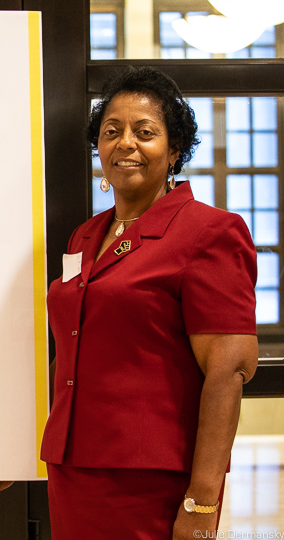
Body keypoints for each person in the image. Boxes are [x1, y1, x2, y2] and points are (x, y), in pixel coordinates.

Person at [35, 67, 256, 538]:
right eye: (111, 132)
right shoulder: (86, 235)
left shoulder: (210, 232)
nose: (125, 143)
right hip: (73, 471)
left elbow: (228, 372)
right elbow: (70, 350)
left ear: (174, 150)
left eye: (145, 132)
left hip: (151, 484)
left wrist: (201, 502)